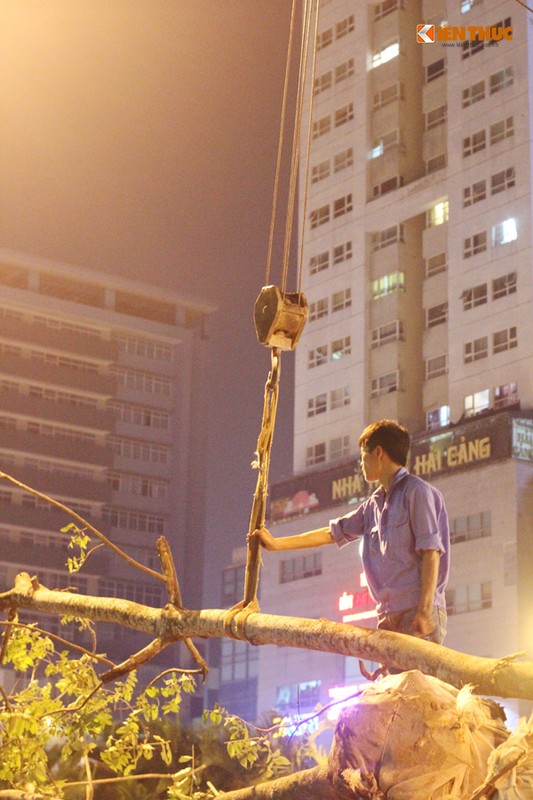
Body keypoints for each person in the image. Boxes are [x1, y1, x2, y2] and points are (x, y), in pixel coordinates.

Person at [249, 419, 449, 643]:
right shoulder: (373, 505)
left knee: (421, 679)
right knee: (395, 680)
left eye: (363, 456)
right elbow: (331, 533)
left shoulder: (417, 492)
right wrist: (276, 544)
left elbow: (431, 552)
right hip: (387, 615)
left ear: (379, 453)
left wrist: (424, 609)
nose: (361, 463)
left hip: (417, 611)